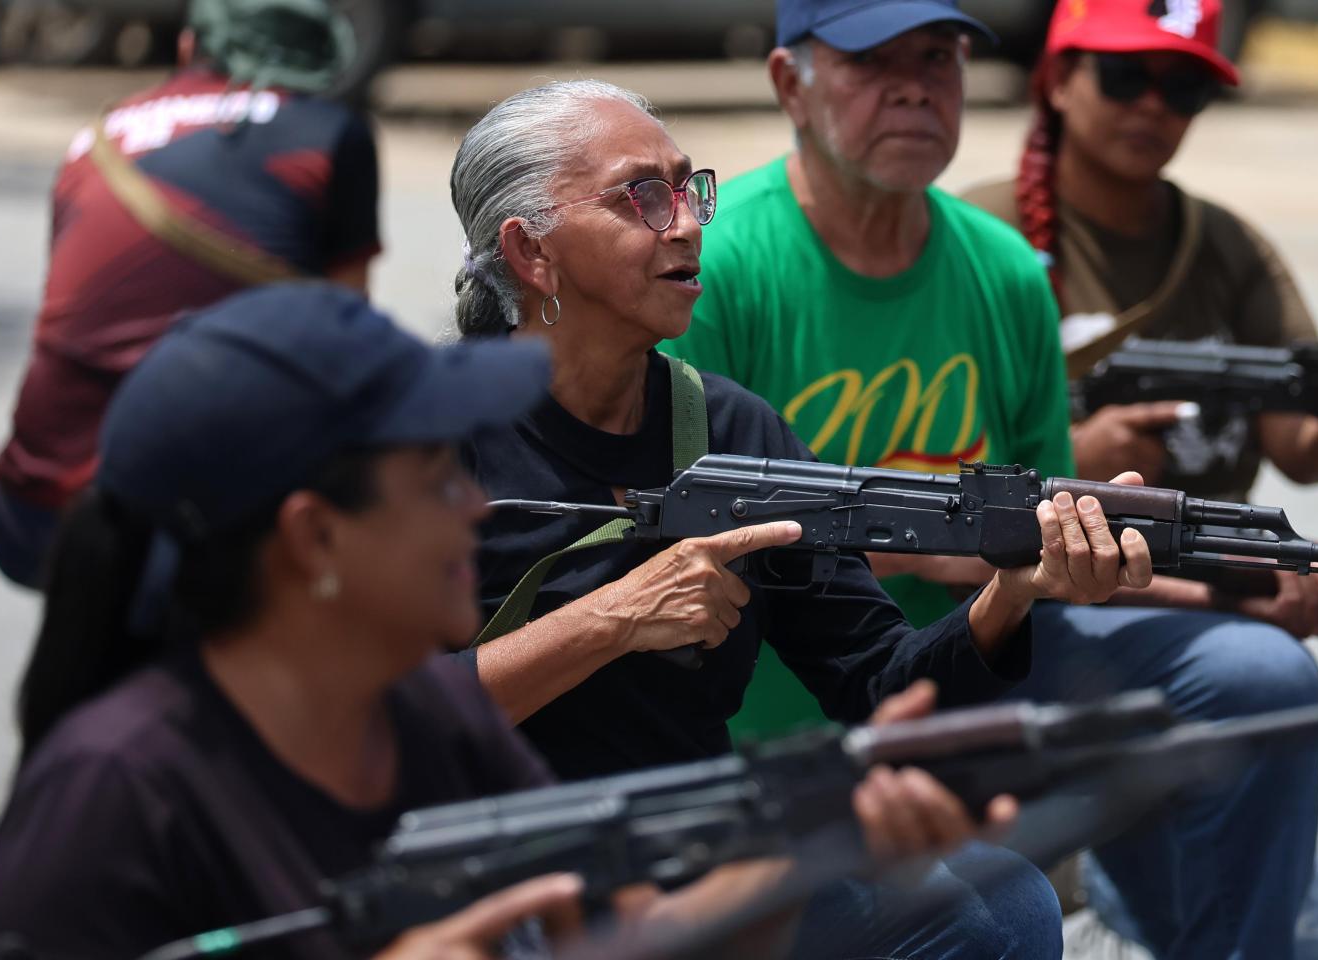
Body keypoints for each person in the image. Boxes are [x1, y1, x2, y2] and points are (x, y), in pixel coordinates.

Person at [0, 283, 1009, 960]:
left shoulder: (427, 723)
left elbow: (630, 940)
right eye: (435, 480)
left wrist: (808, 846)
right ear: (313, 540)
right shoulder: (112, 791)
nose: (472, 509)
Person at [660, 0, 1318, 956]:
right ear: (790, 85)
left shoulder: (1006, 271)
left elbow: (1054, 556)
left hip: (986, 659)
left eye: (938, 59)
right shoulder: (718, 269)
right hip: (786, 697)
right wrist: (924, 549)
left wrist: (1242, 592)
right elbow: (675, 543)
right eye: (873, 61)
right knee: (1005, 910)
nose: (914, 86)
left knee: (1261, 675)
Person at [450, 78, 1157, 958]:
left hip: (686, 848)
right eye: (643, 196)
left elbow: (876, 679)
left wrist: (1014, 593)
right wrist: (612, 619)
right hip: (484, 874)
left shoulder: (732, 428)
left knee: (1005, 901)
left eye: (688, 187)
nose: (686, 223)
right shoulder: (421, 442)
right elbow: (374, 724)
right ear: (532, 252)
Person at [961, 2, 1318, 954]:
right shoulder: (984, 242)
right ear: (1057, 80)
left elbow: (1300, 442)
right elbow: (943, 488)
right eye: (1127, 78)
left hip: (1196, 595)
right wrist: (1074, 463)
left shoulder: (1226, 245)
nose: (1154, 108)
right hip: (1029, 603)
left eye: (1183, 88)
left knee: (1293, 931)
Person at [0, 0, 382, 589]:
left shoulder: (94, 139)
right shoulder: (330, 135)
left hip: (33, 505)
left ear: (188, 48)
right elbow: (345, 344)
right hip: (201, 518)